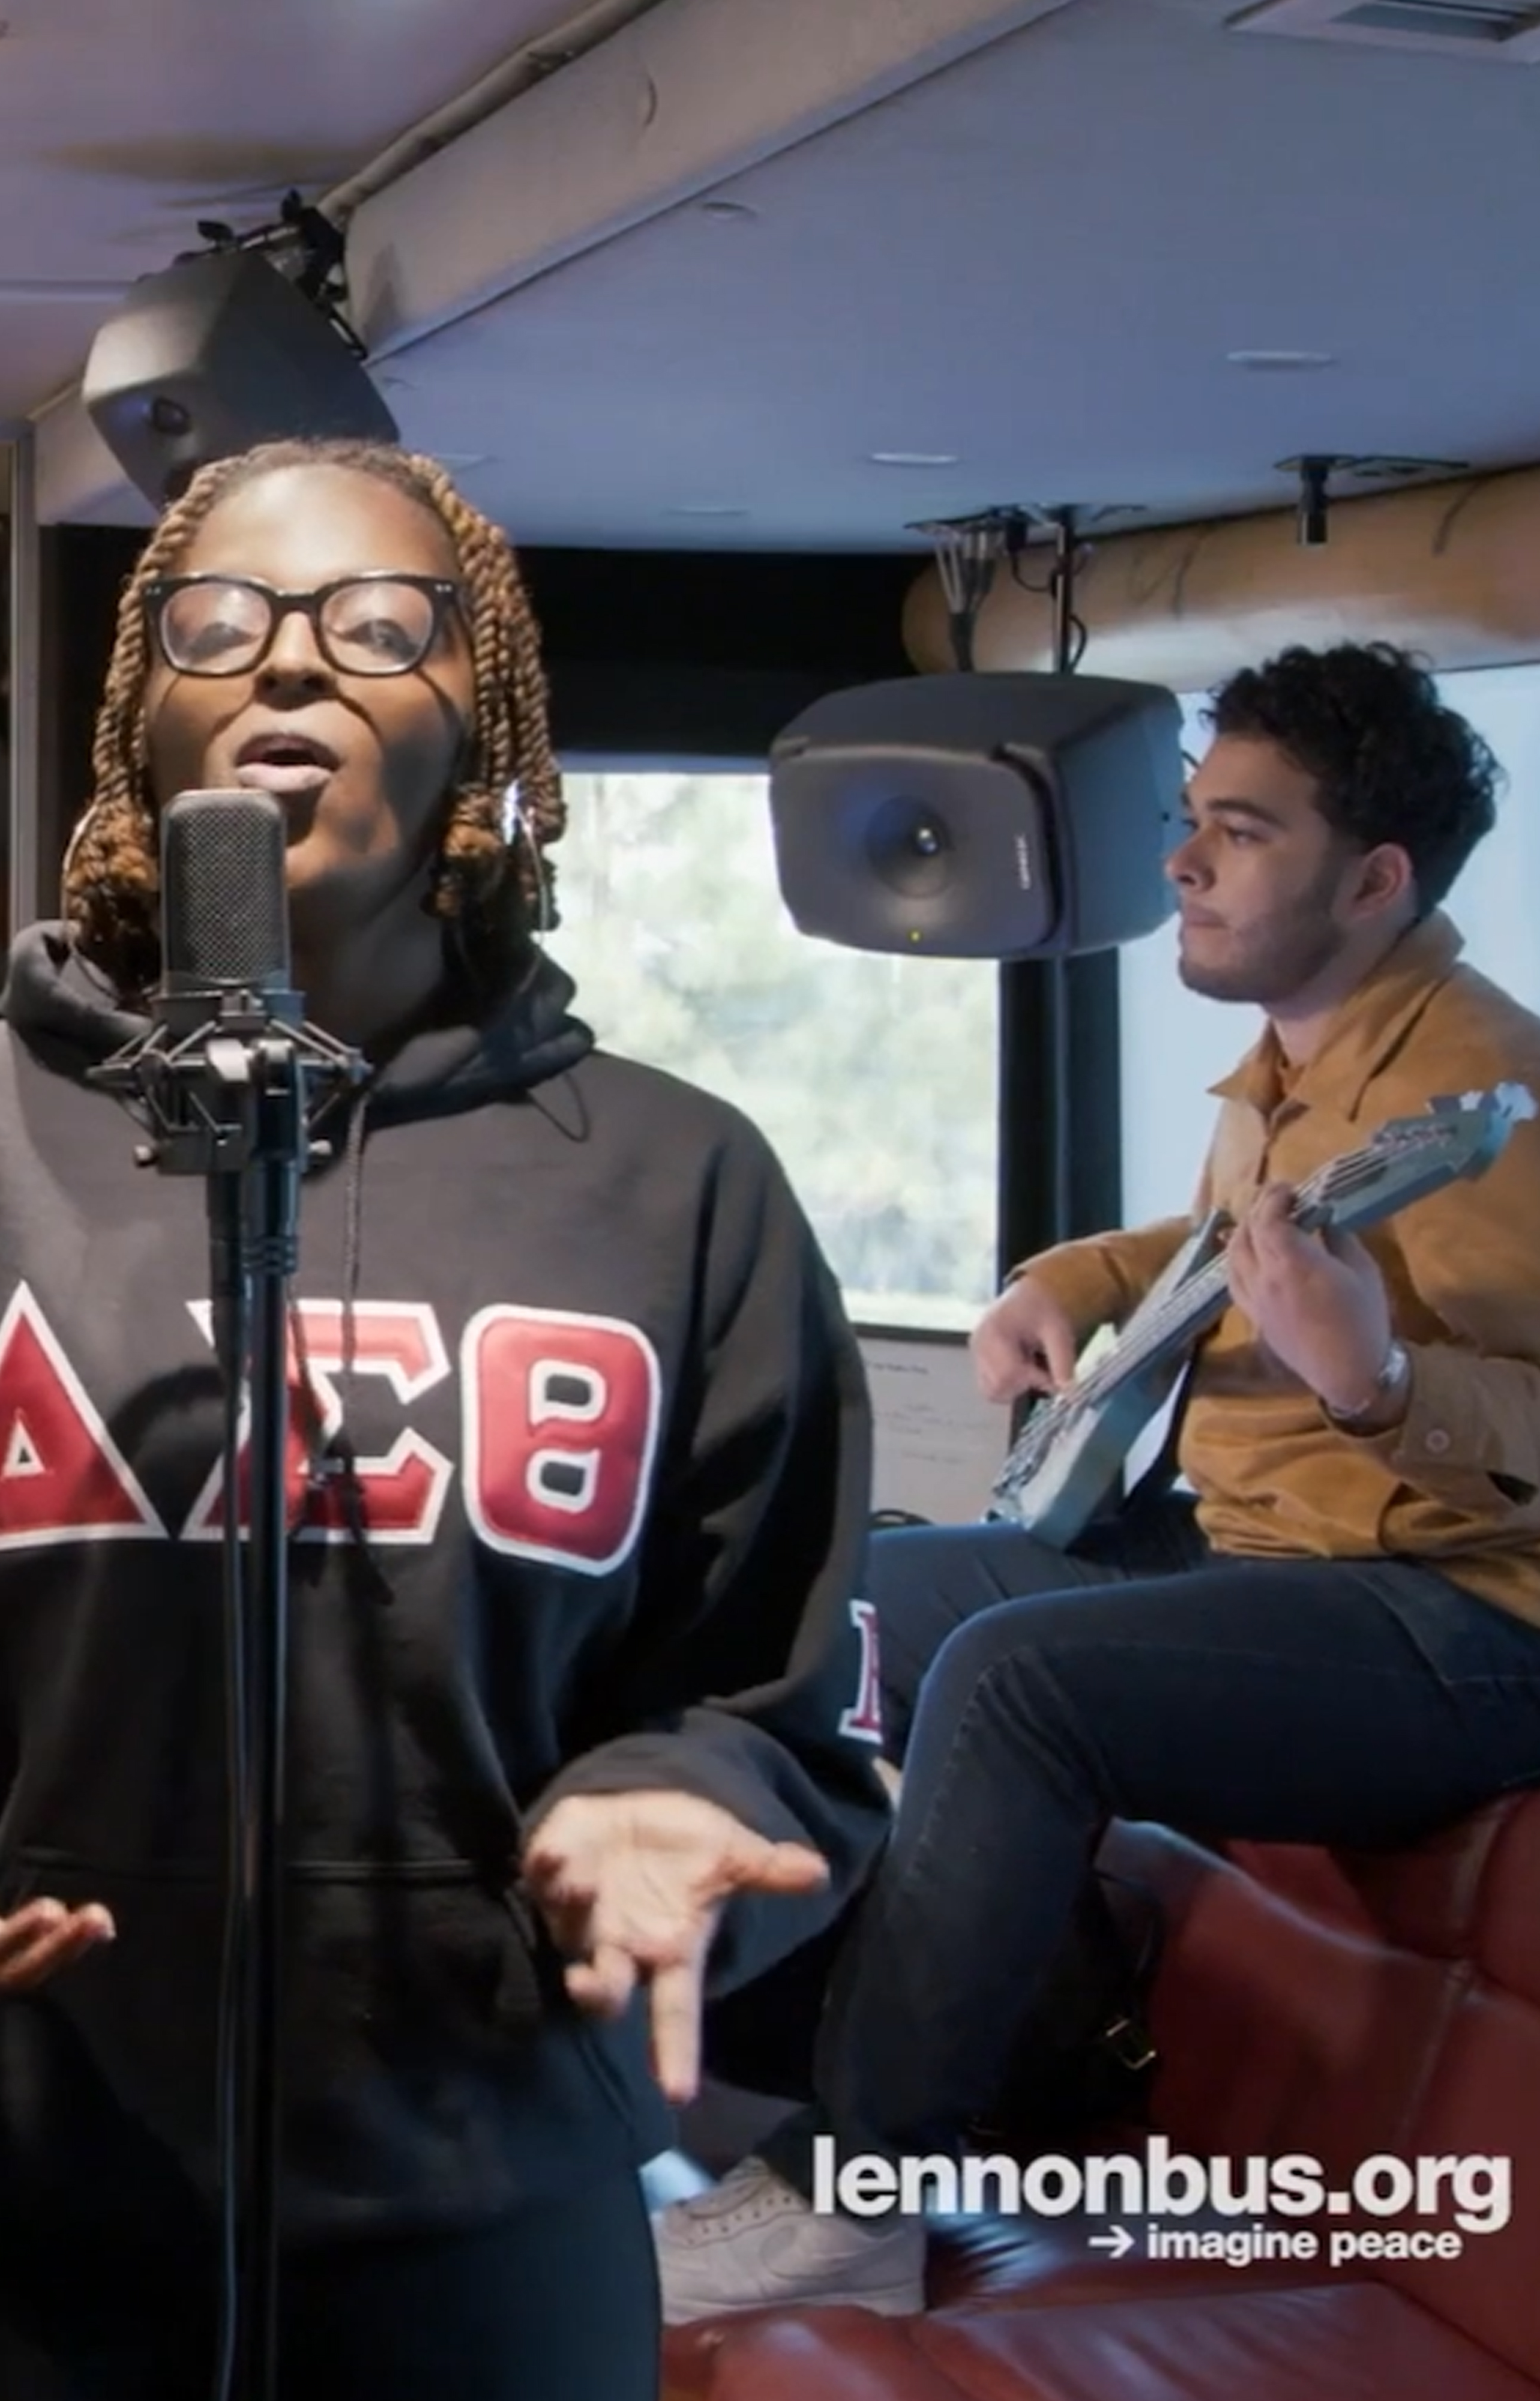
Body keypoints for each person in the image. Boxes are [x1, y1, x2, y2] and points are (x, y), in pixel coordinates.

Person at [0, 438, 889, 2401]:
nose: (296, 665)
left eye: (386, 625)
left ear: (484, 722)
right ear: (150, 715)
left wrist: (694, 1800)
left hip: (479, 2232)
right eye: (226, 621)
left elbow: (768, 1695)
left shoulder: (678, 1182)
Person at [658, 640, 1540, 2321]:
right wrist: (1072, 1276)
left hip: (1469, 1621)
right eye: (1191, 821)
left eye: (1242, 834)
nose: (1181, 866)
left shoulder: (1493, 1091)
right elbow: (1222, 1242)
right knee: (842, 1588)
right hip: (1269, 1564)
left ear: (1374, 880)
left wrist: (1384, 1379)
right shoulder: (1304, 1058)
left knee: (1014, 1675)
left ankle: (864, 2187)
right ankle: (765, 2068)